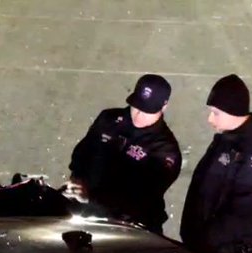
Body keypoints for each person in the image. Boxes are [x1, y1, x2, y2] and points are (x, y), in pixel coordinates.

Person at [179, 74, 252, 253]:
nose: (210, 119)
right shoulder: (230, 139)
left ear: (234, 111)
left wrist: (203, 242)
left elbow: (245, 215)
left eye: (216, 113)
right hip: (209, 252)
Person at [67, 74, 183, 234]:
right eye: (136, 107)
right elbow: (82, 154)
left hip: (129, 227)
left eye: (147, 111)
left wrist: (92, 197)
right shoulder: (109, 119)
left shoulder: (165, 151)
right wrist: (76, 180)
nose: (138, 115)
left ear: (164, 106)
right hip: (84, 212)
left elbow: (140, 198)